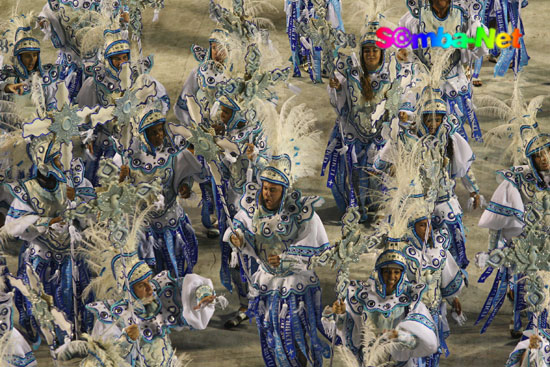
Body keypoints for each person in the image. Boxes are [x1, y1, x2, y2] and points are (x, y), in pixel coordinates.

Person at [226, 154, 332, 366]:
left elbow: (313, 248)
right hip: (268, 284)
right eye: (265, 188)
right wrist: (238, 240)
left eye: (272, 190)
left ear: (284, 190)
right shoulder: (253, 209)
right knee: (273, 335)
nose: (267, 193)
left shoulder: (301, 213)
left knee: (295, 334)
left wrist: (286, 259)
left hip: (295, 286)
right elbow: (241, 233)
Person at [3, 136, 95, 345]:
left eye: (62, 161)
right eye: (57, 160)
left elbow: (92, 216)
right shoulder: (28, 190)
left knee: (75, 298)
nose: (62, 166)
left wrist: (77, 201)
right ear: (44, 164)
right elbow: (13, 225)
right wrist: (47, 221)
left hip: (70, 255)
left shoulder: (73, 184)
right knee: (36, 304)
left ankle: (73, 335)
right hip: (41, 257)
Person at [477, 122, 550, 337]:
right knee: (521, 287)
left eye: (547, 152)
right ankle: (518, 320)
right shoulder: (516, 181)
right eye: (538, 155)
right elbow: (497, 223)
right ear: (531, 159)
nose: (544, 158)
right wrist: (493, 250)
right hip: (524, 247)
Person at [116, 104, 203, 278]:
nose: (159, 136)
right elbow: (116, 194)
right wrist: (121, 180)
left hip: (171, 223)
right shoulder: (128, 160)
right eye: (153, 133)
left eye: (160, 130)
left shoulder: (174, 155)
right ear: (143, 135)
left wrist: (183, 188)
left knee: (176, 268)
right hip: (145, 228)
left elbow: (183, 178)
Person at [322, 20, 395, 223]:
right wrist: (336, 88)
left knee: (377, 175)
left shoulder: (391, 75)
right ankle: (354, 208)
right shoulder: (351, 73)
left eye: (375, 50)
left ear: (382, 53)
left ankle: (378, 208)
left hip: (380, 135)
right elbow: (340, 105)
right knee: (349, 174)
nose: (371, 54)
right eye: (367, 51)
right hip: (352, 131)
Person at [323, 245, 438, 366]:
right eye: (387, 272)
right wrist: (340, 313)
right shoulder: (361, 295)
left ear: (402, 273)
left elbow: (417, 342)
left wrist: (398, 336)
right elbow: (346, 327)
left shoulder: (411, 300)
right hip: (368, 361)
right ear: (379, 272)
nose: (392, 277)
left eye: (396, 272)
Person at [400, 0, 487, 142]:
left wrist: (474, 43)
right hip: (423, 83)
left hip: (452, 85)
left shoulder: (462, 16)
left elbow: (480, 41)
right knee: (421, 133)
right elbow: (405, 44)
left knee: (452, 135)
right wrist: (404, 52)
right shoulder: (415, 18)